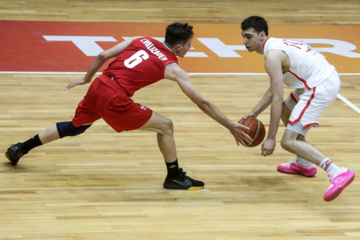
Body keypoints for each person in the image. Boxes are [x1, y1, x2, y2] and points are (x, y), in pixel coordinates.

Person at [5, 22, 252, 190]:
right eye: (189, 44)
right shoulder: (172, 67)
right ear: (178, 46)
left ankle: (21, 147)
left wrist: (87, 78)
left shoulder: (141, 39)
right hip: (115, 98)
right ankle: (175, 176)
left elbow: (102, 56)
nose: (191, 48)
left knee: (75, 126)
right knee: (166, 126)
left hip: (99, 85)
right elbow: (202, 102)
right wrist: (230, 125)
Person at [239, 16, 355, 201]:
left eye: (248, 36)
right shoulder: (274, 46)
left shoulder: (271, 56)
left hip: (320, 85)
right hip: (315, 80)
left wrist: (271, 138)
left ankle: (336, 171)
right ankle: (303, 163)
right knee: (287, 111)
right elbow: (274, 90)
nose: (244, 41)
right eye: (243, 37)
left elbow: (277, 98)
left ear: (261, 35)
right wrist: (254, 112)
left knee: (287, 141)